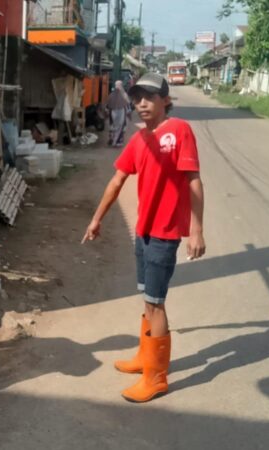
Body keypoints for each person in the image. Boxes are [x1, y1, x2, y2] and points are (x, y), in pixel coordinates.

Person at [82, 73, 206, 402]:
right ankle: (144, 358)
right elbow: (117, 181)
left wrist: (196, 229)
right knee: (147, 298)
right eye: (137, 98)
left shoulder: (179, 130)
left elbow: (193, 181)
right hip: (143, 231)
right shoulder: (139, 140)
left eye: (150, 97)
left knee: (156, 302)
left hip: (165, 233)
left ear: (166, 100)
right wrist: (96, 219)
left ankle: (156, 377)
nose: (141, 104)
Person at [106, 80, 130, 147]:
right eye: (118, 85)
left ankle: (114, 141)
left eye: (119, 85)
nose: (118, 86)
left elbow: (108, 105)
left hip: (116, 112)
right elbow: (128, 102)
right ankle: (115, 142)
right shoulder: (122, 94)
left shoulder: (113, 94)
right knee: (119, 127)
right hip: (118, 112)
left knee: (116, 126)